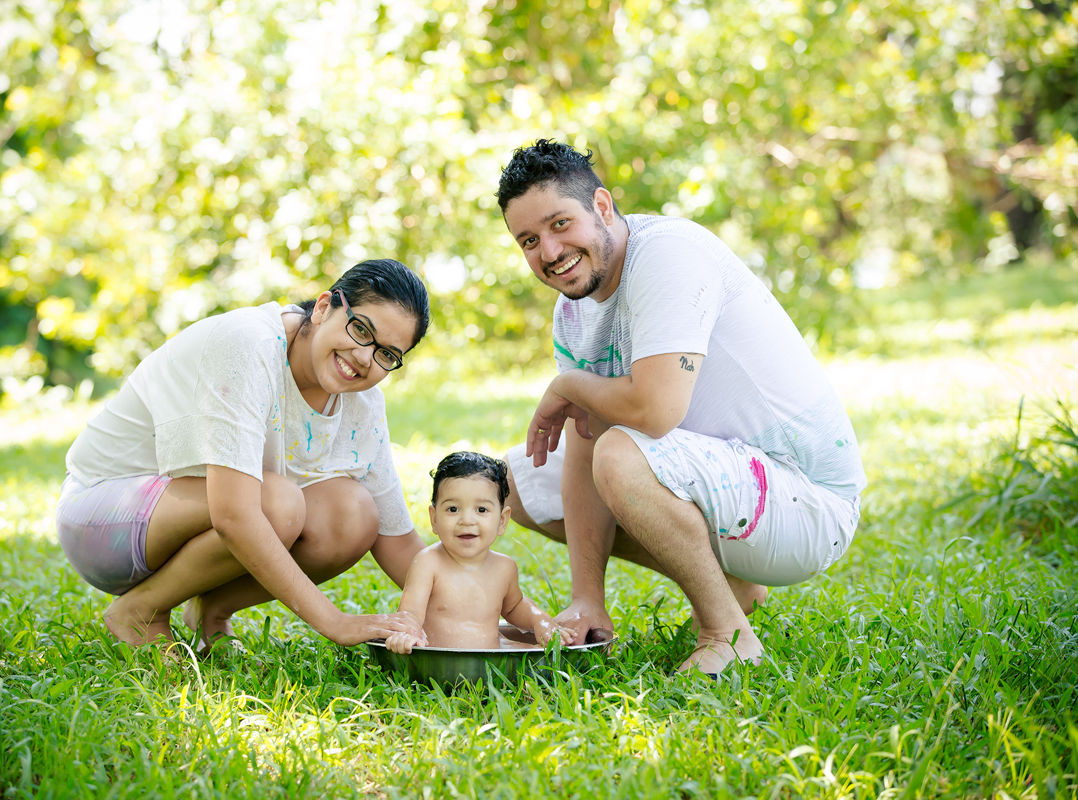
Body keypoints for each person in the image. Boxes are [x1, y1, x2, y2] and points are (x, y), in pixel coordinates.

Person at [497, 140, 866, 676]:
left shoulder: (667, 255)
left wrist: (572, 384)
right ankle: (733, 585)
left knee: (622, 452)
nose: (549, 252)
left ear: (602, 207)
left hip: (808, 503)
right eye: (528, 240)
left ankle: (726, 633)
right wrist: (587, 598)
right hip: (733, 491)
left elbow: (654, 410)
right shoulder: (573, 312)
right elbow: (583, 440)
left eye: (559, 224)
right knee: (516, 480)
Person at [55, 259, 432, 651]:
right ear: (323, 307)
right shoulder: (248, 345)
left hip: (182, 522)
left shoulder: (362, 402)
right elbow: (235, 515)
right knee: (277, 502)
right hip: (101, 522)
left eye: (387, 354)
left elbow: (397, 538)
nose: (364, 358)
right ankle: (140, 611)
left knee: (353, 512)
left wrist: (487, 610)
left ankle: (211, 611)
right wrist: (334, 622)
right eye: (360, 330)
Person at [385, 452, 576, 653]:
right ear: (434, 519)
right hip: (441, 662)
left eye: (482, 510)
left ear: (502, 521)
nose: (467, 520)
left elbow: (514, 606)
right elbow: (410, 613)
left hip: (491, 660)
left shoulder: (504, 567)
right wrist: (406, 633)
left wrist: (541, 621)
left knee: (543, 657)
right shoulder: (428, 563)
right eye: (452, 509)